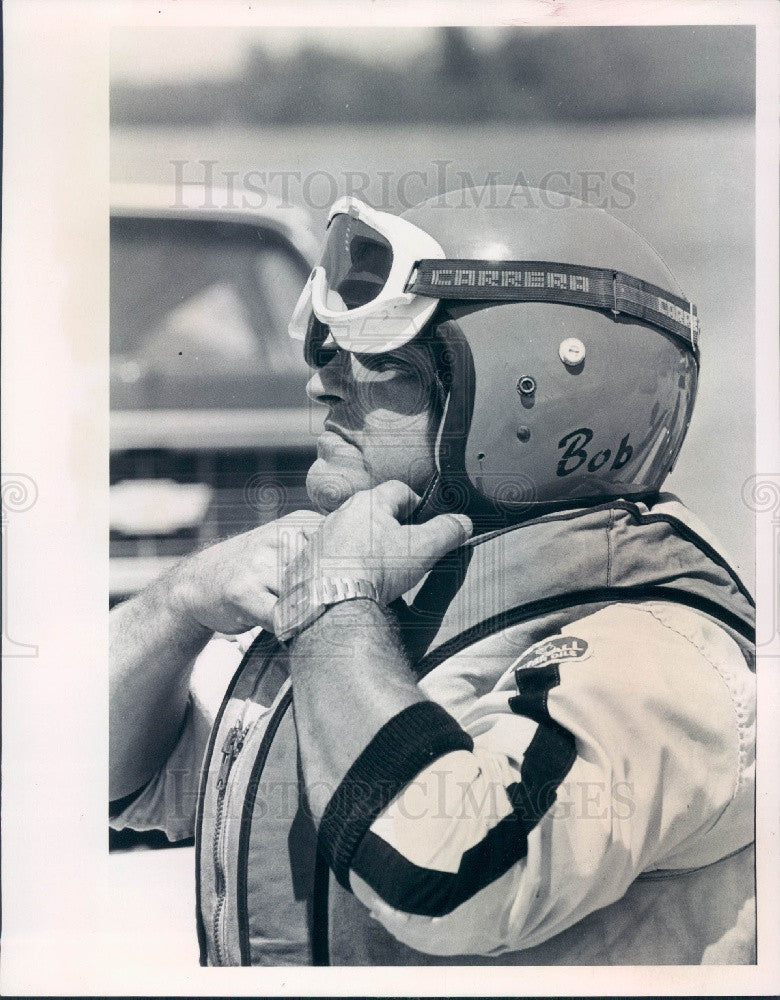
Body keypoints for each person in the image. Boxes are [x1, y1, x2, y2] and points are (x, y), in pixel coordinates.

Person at [110, 187, 756, 966]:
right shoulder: (396, 604)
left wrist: (336, 602)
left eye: (383, 364)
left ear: (537, 397)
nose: (321, 385)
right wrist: (179, 605)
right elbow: (113, 784)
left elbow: (446, 877)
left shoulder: (658, 650)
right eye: (328, 351)